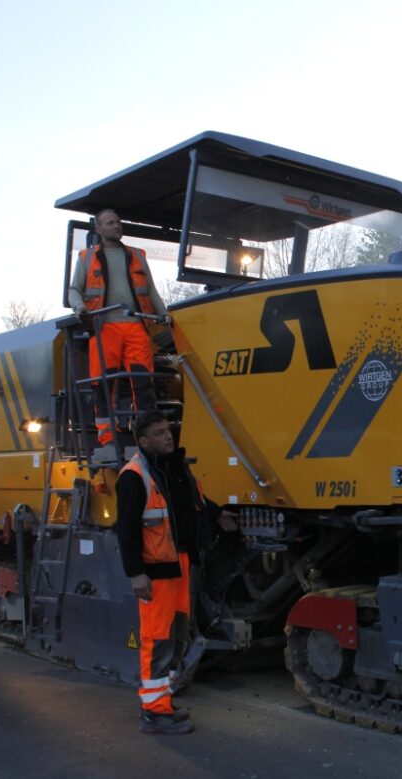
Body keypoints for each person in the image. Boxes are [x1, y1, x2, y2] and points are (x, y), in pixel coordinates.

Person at [115, 410, 238, 735]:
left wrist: (216, 514)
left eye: (168, 430)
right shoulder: (133, 476)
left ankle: (163, 701)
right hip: (156, 572)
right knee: (157, 640)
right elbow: (126, 530)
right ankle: (154, 712)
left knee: (178, 636)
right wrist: (135, 573)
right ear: (142, 441)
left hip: (181, 564)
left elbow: (191, 502)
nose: (167, 436)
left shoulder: (174, 468)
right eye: (158, 433)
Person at [67, 208, 169, 452]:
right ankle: (107, 439)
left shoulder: (137, 255)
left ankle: (145, 437)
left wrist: (164, 314)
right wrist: (79, 308)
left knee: (143, 384)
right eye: (110, 223)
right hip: (104, 328)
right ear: (99, 229)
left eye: (118, 222)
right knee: (103, 385)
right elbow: (74, 290)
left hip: (136, 326)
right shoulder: (86, 257)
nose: (116, 226)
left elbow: (151, 290)